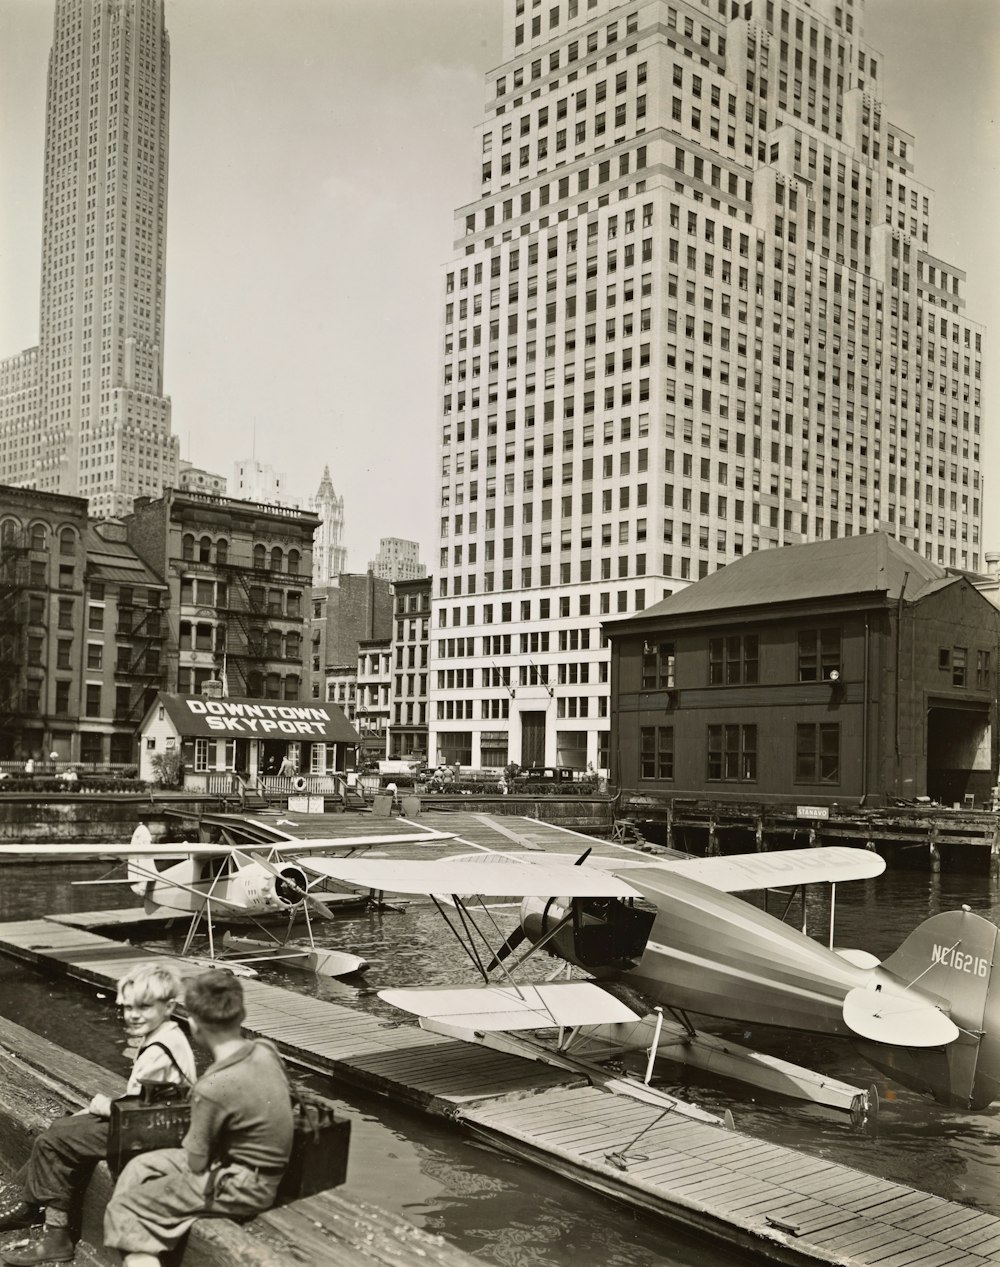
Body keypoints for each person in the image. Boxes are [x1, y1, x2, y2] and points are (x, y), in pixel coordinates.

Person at [0, 963, 195, 1266]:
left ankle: (54, 1234)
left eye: (144, 1007)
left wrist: (102, 1105)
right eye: (128, 1008)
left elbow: (143, 1107)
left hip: (150, 1134)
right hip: (152, 1125)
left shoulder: (160, 1048)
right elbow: (152, 1098)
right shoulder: (168, 1035)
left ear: (168, 1006)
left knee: (55, 1139)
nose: (133, 1015)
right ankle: (31, 1208)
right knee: (63, 1127)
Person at [103, 971, 293, 1267]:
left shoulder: (212, 1087)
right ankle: (143, 1249)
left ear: (193, 1024)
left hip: (245, 1185)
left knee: (124, 1207)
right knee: (140, 1167)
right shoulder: (267, 1050)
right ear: (240, 1013)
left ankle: (140, 1251)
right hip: (254, 1167)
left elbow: (195, 1164)